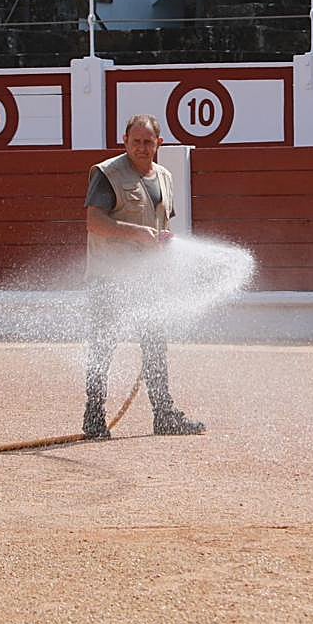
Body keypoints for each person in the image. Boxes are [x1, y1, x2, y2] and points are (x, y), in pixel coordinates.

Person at [82, 114, 206, 440]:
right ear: (125, 141)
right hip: (109, 277)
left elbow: (163, 229)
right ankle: (93, 416)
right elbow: (94, 223)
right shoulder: (108, 173)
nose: (141, 147)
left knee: (154, 346)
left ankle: (163, 414)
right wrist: (139, 234)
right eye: (136, 141)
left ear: (158, 144)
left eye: (148, 142)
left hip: (147, 280)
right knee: (103, 346)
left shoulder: (164, 176)